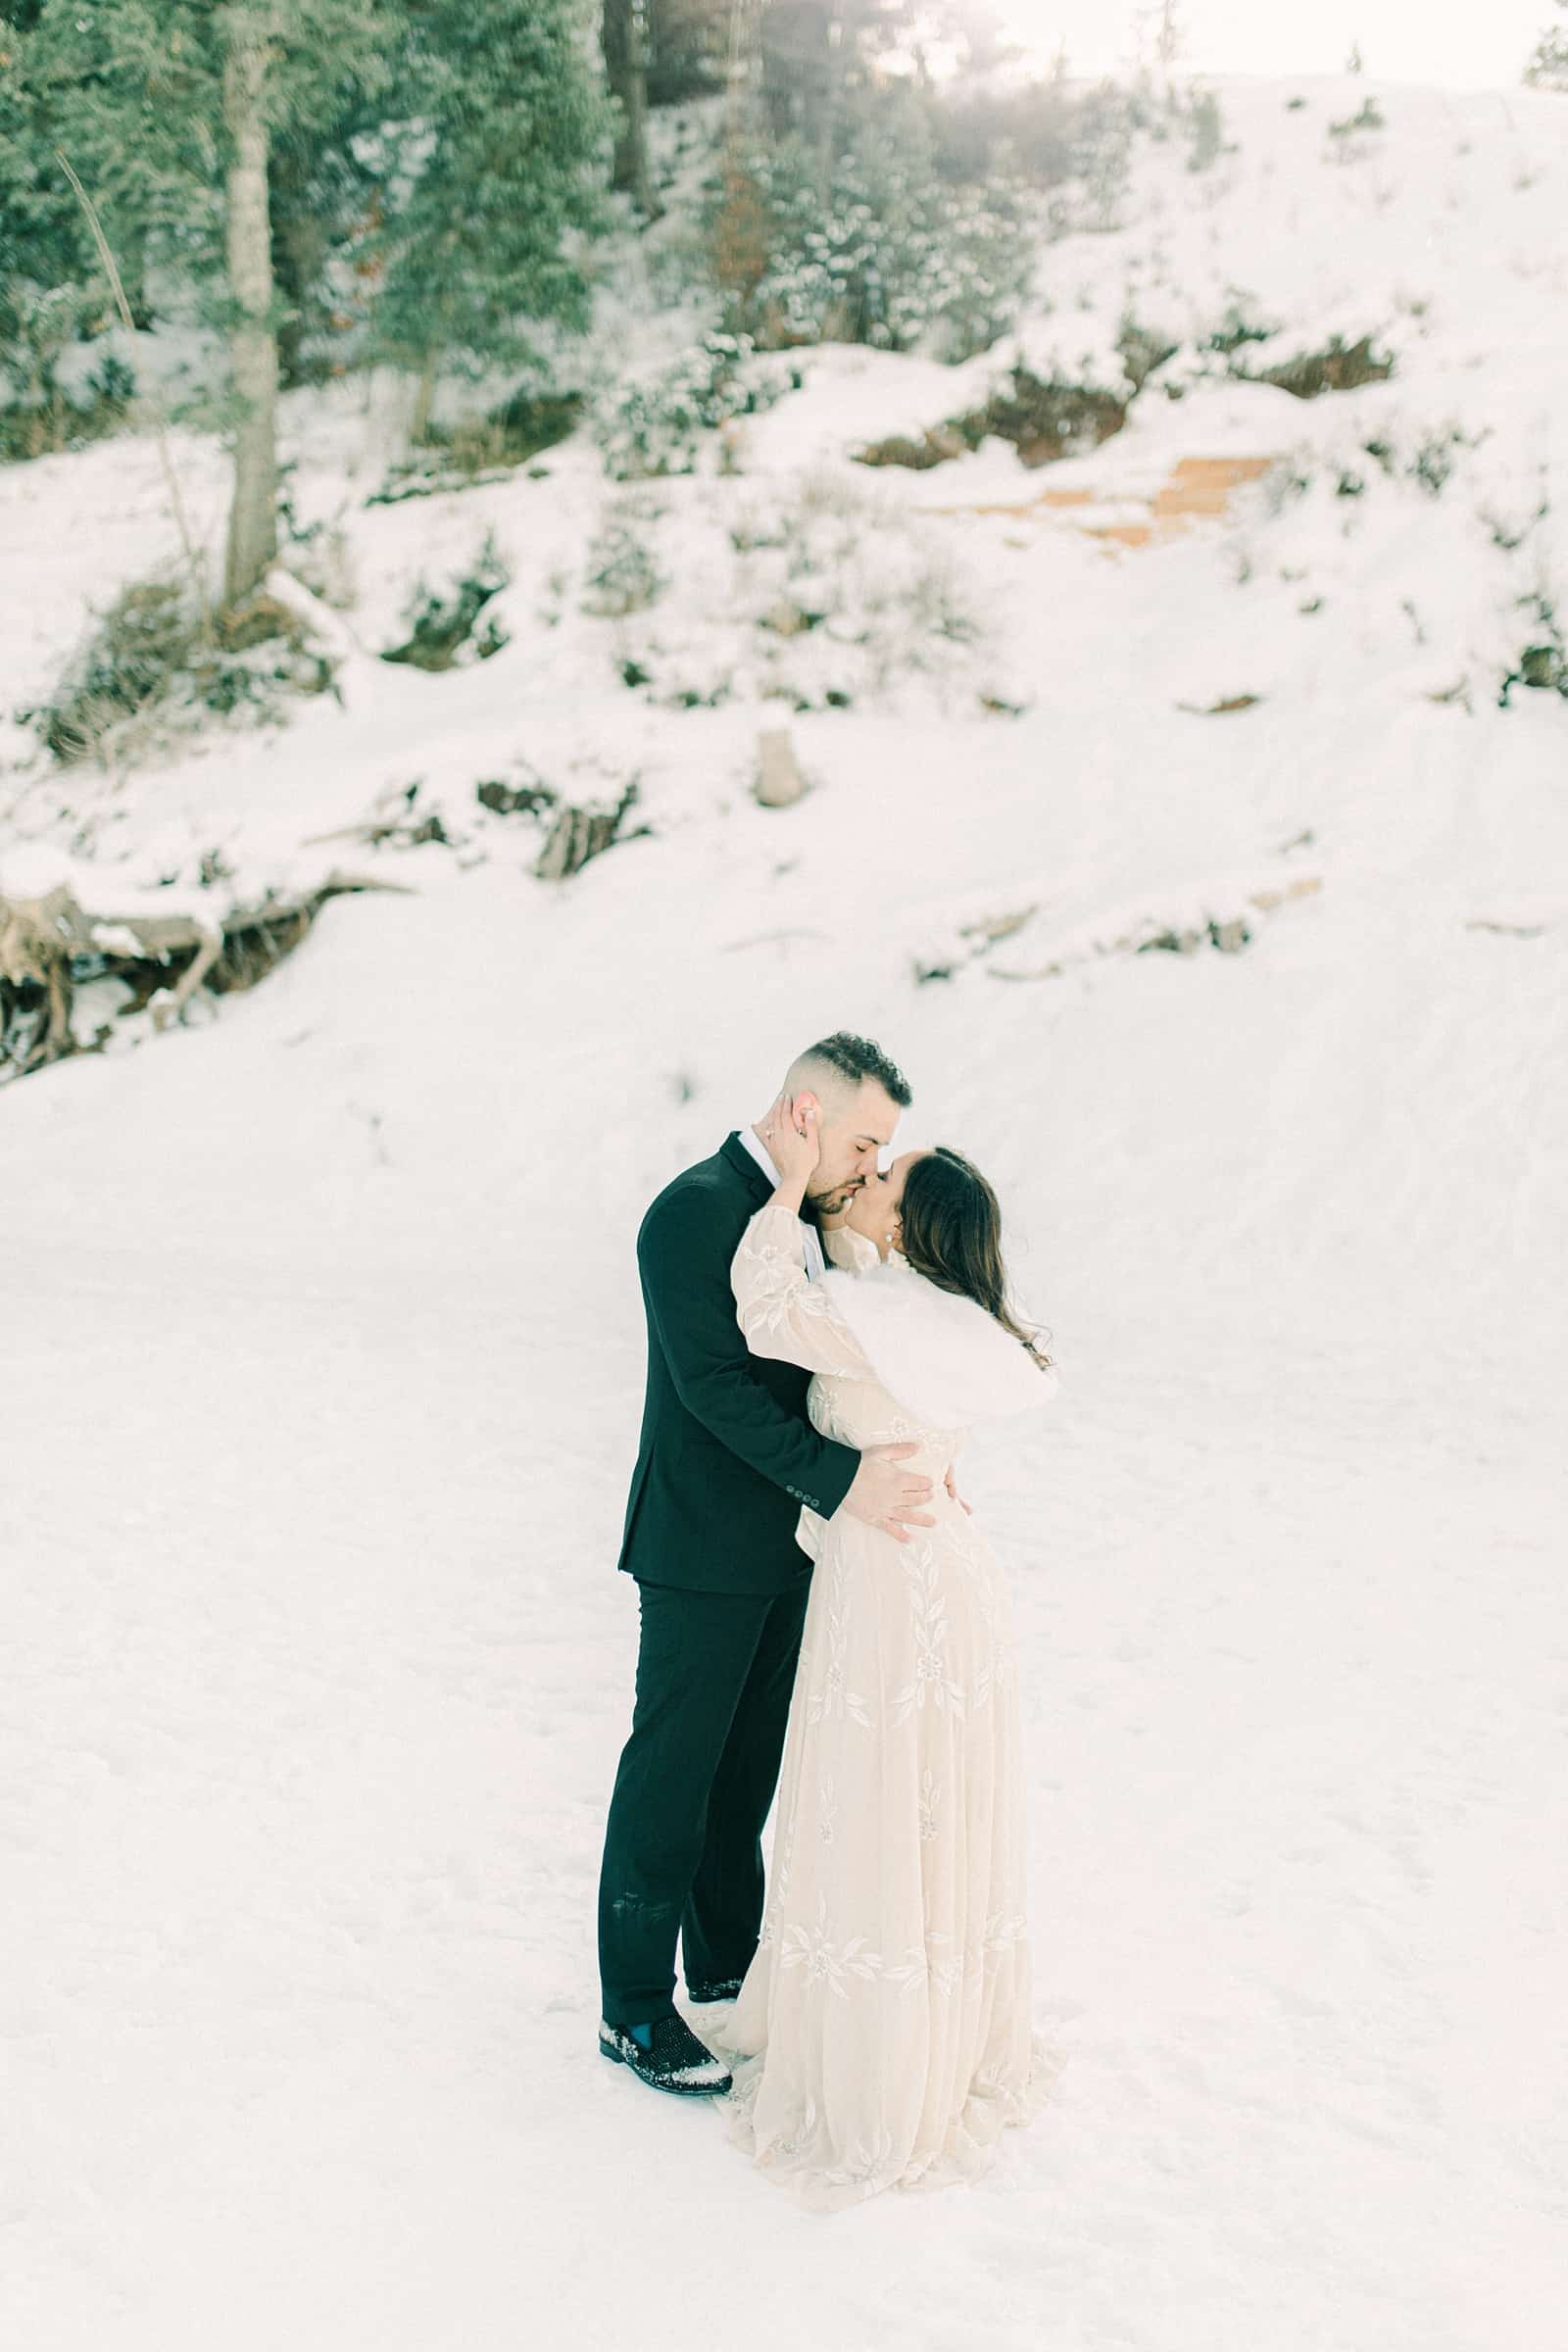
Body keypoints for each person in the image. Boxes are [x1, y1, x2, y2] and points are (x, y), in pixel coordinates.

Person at [709, 1096, 1063, 2209]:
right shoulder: (942, 1313)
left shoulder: (874, 1313)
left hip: (893, 1584)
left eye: (881, 1183)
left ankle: (885, 2065)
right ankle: (924, 2036)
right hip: (944, 1568)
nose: (860, 1188)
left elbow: (760, 1307)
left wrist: (782, 1179)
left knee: (881, 1798)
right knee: (915, 1804)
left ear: (909, 1227)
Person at [597, 1033, 936, 2096]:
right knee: (672, 1779)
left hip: (793, 1549)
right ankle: (635, 2010)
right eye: (862, 1141)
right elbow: (714, 1387)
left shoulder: (810, 1221)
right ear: (804, 1115)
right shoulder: (692, 1210)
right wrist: (842, 1482)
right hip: (699, 1546)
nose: (868, 1166)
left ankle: (728, 1976)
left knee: (743, 1783)